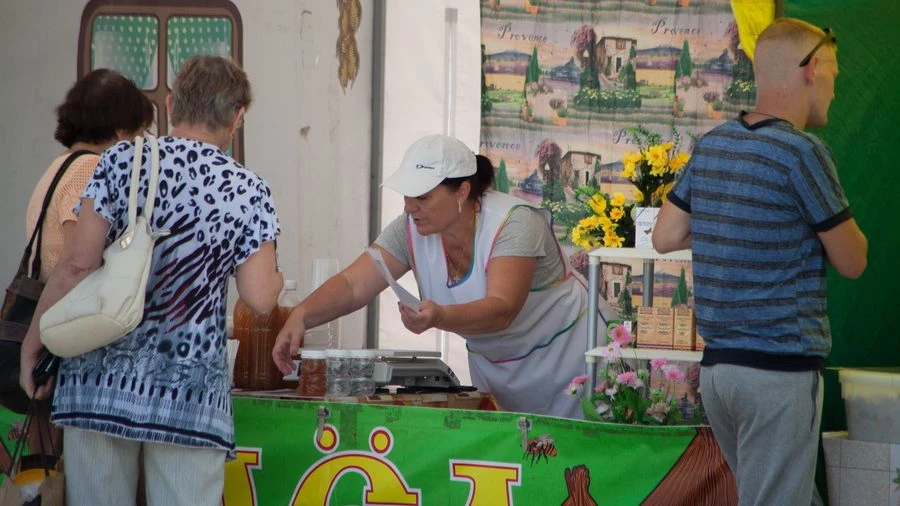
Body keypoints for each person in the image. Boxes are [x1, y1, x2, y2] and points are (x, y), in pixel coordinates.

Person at [19, 55, 283, 505]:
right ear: (237, 117)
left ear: (170, 102)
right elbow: (259, 298)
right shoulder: (246, 188)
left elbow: (76, 264)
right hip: (188, 395)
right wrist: (276, 277)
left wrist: (33, 340)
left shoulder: (120, 161)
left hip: (98, 384)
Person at [653, 18, 867, 505]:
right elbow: (853, 261)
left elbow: (665, 236)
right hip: (778, 371)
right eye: (833, 74)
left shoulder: (712, 144)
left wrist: (737, 233)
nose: (835, 90)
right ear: (811, 69)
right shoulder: (802, 152)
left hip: (719, 375)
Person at [273, 134, 588, 418]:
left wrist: (439, 316)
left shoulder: (514, 223)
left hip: (571, 364)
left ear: (462, 191)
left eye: (422, 197)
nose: (410, 208)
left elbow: (502, 310)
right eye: (407, 196)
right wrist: (302, 315)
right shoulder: (410, 227)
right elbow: (354, 284)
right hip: (500, 372)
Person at [0, 69, 154, 469]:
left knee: (41, 462)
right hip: (60, 338)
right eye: (139, 132)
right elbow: (77, 261)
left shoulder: (56, 168)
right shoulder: (90, 171)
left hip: (36, 324)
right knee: (65, 465)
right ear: (122, 131)